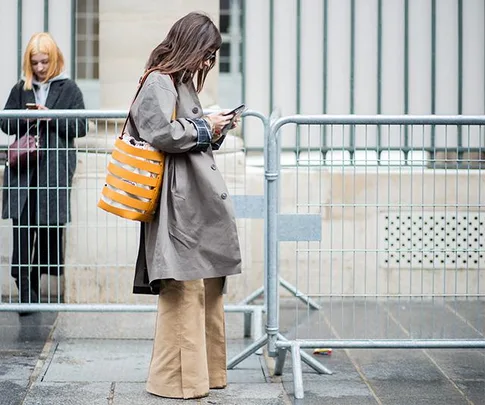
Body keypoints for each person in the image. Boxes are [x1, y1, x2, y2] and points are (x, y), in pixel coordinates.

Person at [129, 12, 242, 400]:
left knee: (206, 287)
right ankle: (177, 382)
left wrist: (217, 128)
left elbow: (188, 135)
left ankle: (206, 376)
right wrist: (205, 127)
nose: (208, 63)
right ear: (190, 44)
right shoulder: (159, 80)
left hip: (193, 201)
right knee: (184, 288)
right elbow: (161, 132)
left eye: (212, 56)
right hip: (177, 206)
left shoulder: (180, 82)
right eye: (206, 53)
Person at [0, 32, 87, 311]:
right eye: (35, 62)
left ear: (55, 59)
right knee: (23, 227)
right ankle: (25, 287)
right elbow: (5, 124)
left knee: (49, 227)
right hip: (24, 171)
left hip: (54, 170)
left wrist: (51, 116)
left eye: (44, 62)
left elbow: (81, 127)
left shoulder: (69, 89)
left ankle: (32, 276)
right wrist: (24, 116)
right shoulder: (20, 89)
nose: (39, 68)